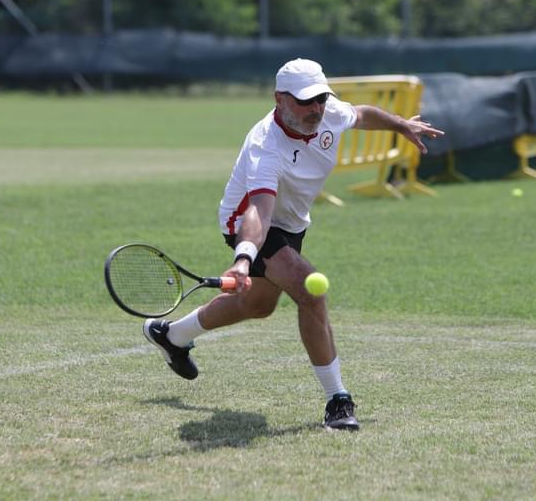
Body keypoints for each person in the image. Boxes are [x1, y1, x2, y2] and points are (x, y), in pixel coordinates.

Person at [142, 58, 444, 430]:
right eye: (305, 101)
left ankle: (172, 335)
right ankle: (338, 400)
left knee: (258, 305)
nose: (316, 108)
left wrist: (401, 126)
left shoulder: (327, 111)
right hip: (250, 223)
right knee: (309, 289)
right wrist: (243, 258)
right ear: (279, 100)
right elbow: (259, 212)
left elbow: (361, 113)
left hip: (293, 222)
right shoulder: (265, 146)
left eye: (320, 98)